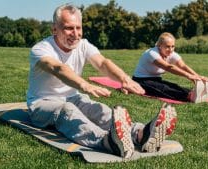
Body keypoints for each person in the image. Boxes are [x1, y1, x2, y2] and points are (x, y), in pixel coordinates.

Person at [26, 4, 177, 159]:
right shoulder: (41, 49)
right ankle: (107, 141)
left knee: (99, 109)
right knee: (67, 110)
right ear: (54, 29)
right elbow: (58, 68)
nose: (75, 34)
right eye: (69, 28)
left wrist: (124, 79)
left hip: (73, 97)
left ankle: (140, 134)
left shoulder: (83, 45)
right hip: (42, 103)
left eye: (78, 28)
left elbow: (102, 63)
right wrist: (85, 85)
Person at [132, 32, 208, 103]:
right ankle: (188, 96)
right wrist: (188, 76)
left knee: (173, 86)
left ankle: (193, 93)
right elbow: (168, 67)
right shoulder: (152, 53)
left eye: (173, 46)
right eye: (167, 46)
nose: (170, 49)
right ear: (160, 46)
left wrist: (198, 77)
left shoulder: (171, 54)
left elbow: (183, 66)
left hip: (156, 79)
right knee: (163, 89)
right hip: (141, 80)